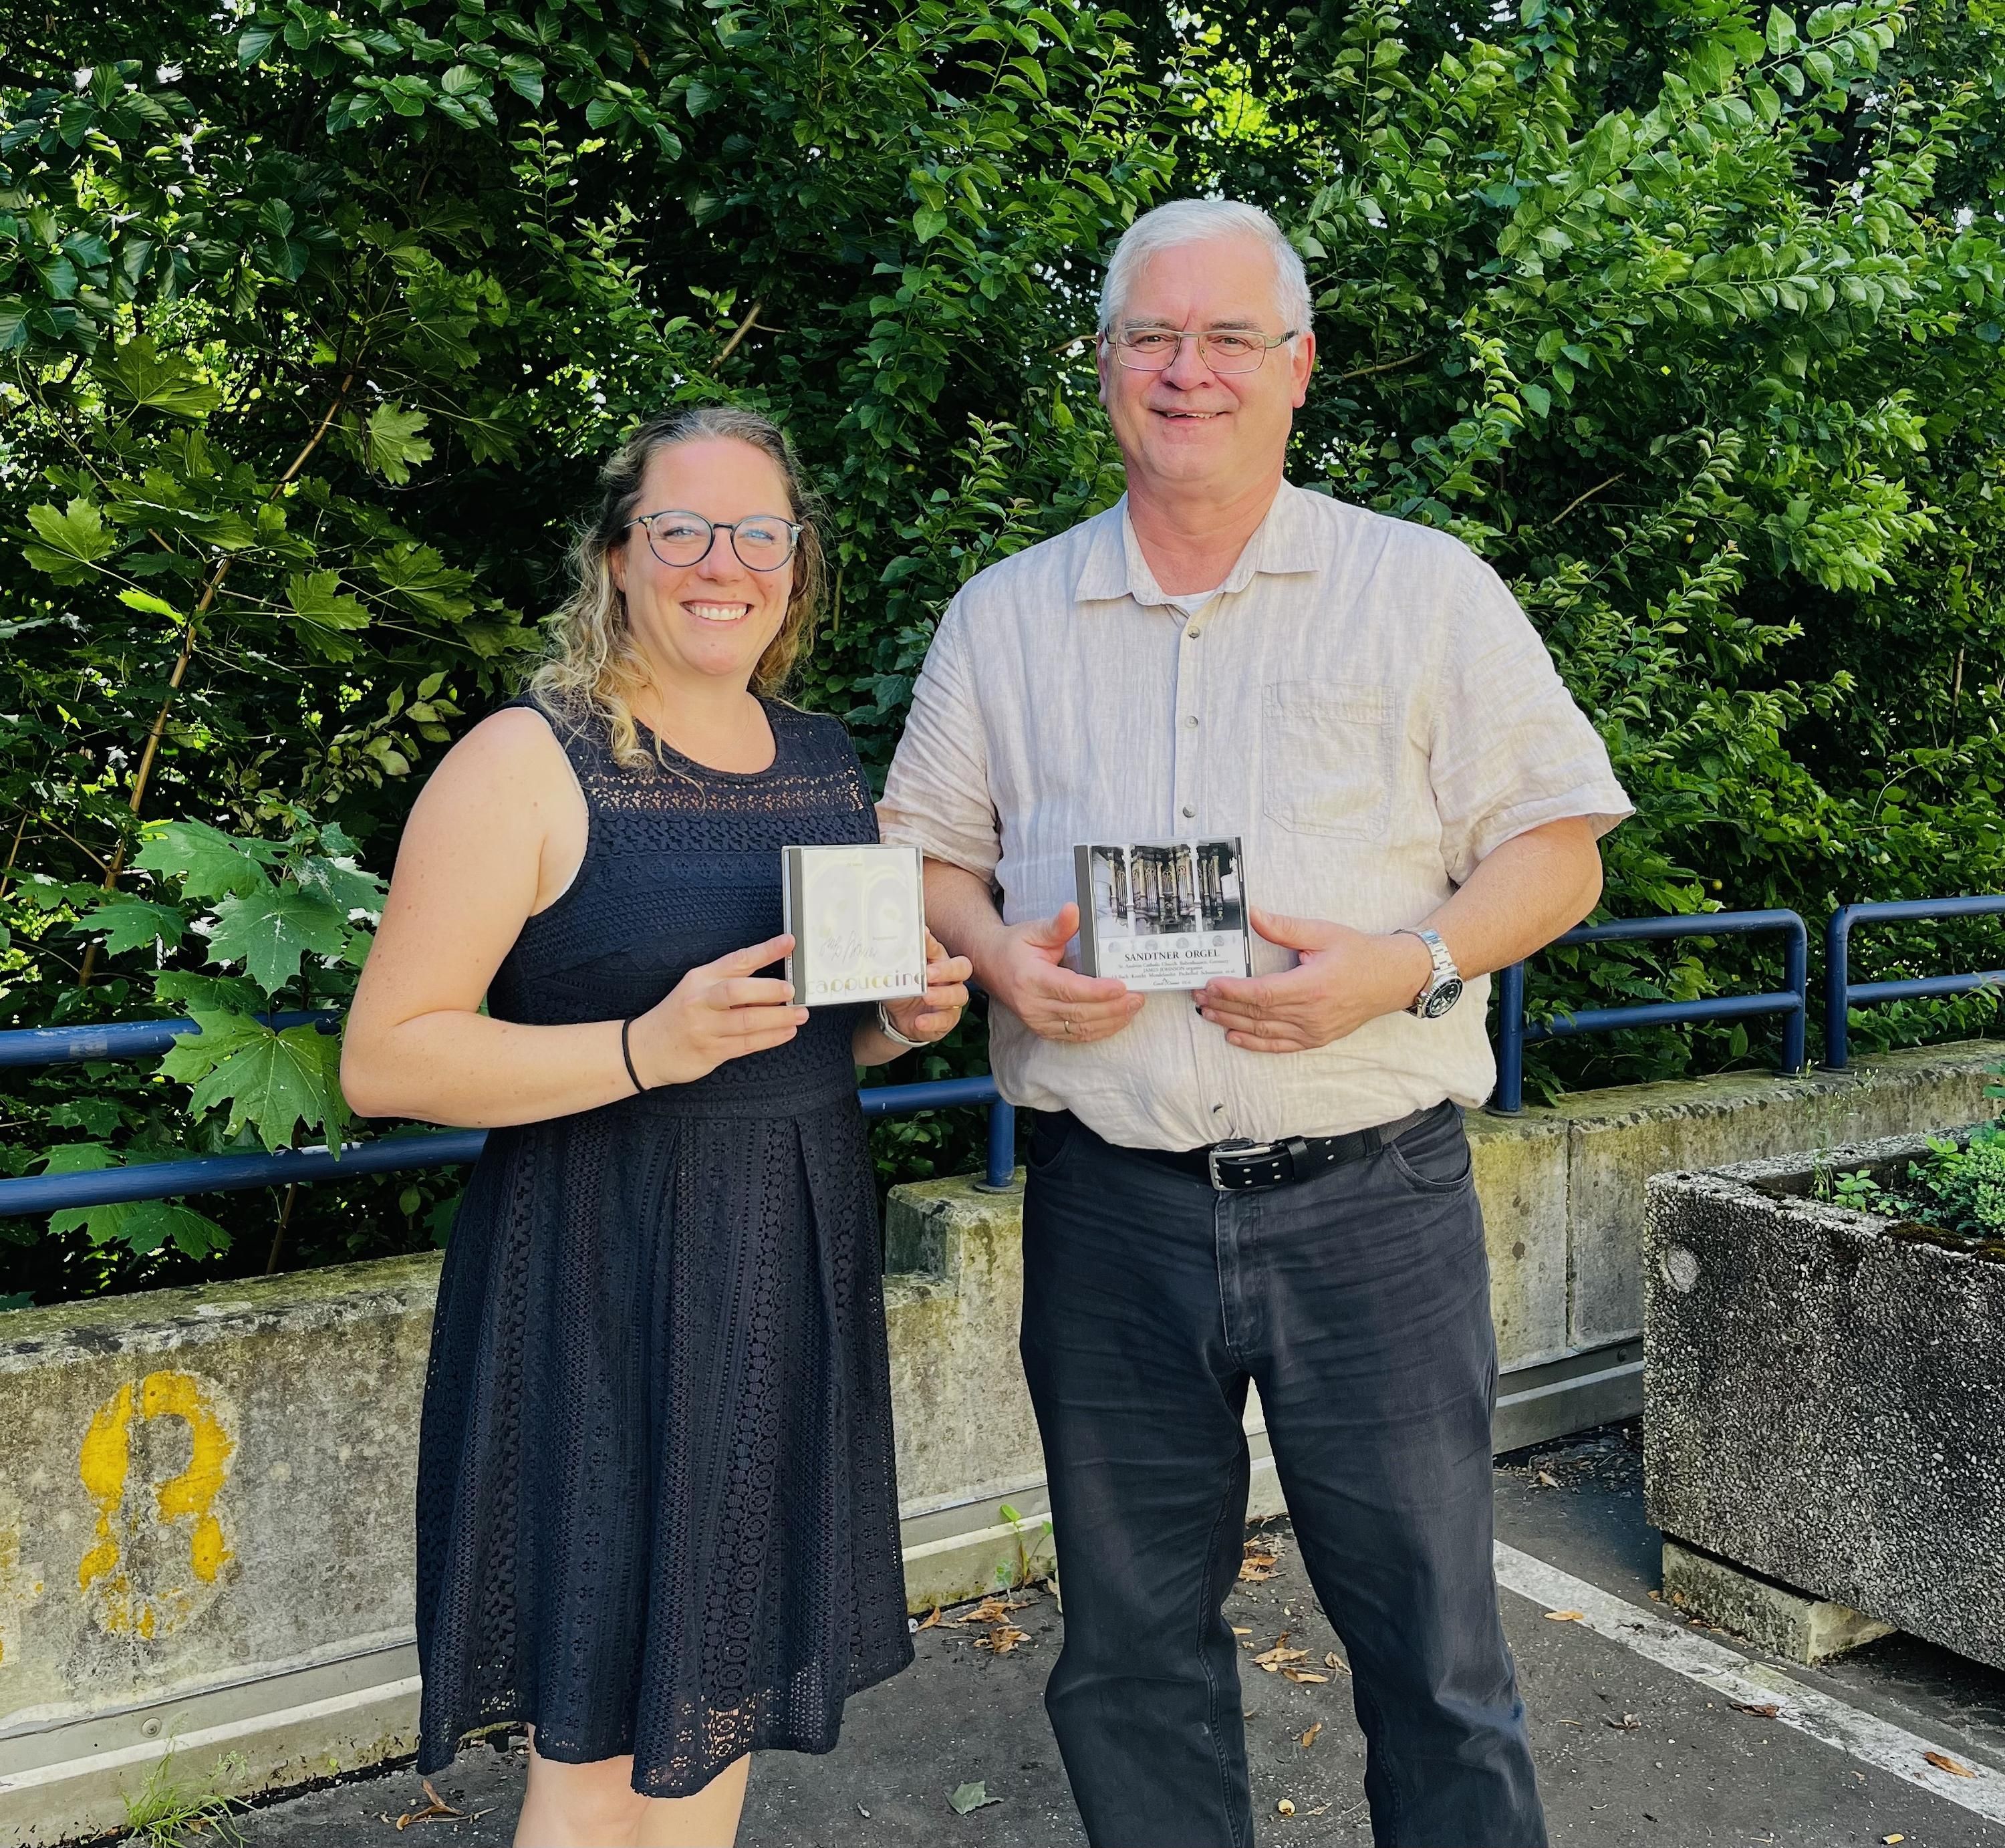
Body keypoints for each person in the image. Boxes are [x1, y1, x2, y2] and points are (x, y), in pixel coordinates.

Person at [878, 199, 1632, 1847]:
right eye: (1152, 335)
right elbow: (923, 854)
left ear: (1300, 365)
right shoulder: (1004, 616)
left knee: (1435, 1656)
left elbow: (1561, 847)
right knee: (1131, 1653)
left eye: (1230, 338)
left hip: (1375, 1206)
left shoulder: (1421, 591)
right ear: (1101, 368)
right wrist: (999, 961)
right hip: (1110, 1208)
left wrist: (1408, 960)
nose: (1187, 370)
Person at [342, 406, 970, 1848]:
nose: (721, 562)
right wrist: (641, 1048)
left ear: (797, 567)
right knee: (598, 1750)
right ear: (617, 557)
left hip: (779, 1279)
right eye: (681, 529)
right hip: (600, 1281)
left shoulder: (821, 757)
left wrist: (896, 1023)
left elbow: (811, 1045)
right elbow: (387, 1059)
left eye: (759, 533)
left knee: (715, 1705)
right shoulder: (528, 758)